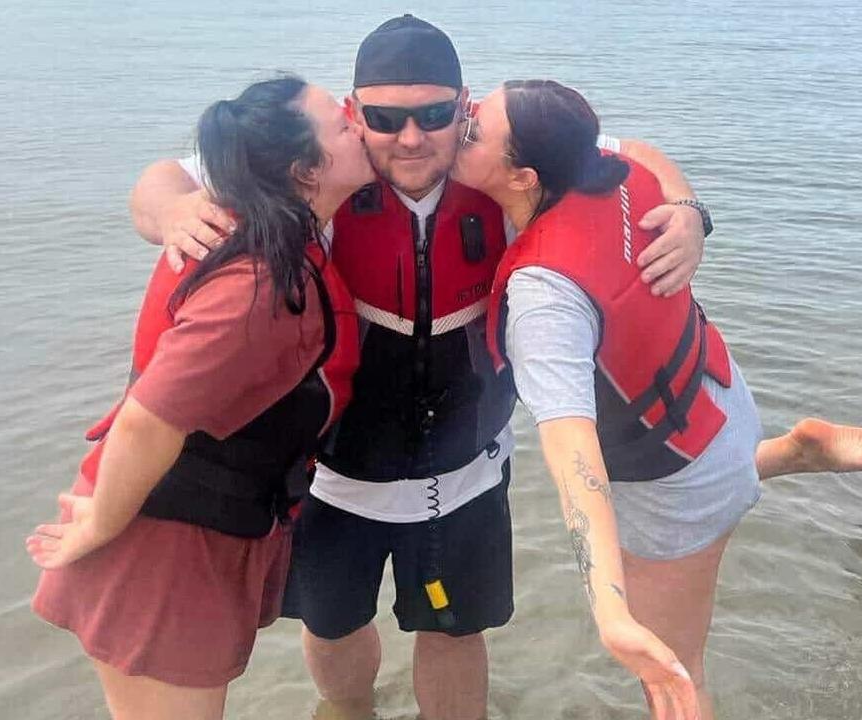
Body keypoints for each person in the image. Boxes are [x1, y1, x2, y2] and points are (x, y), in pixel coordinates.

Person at [127, 16, 712, 720]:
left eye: (434, 115)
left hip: (467, 475)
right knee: (331, 622)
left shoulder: (499, 163)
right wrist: (175, 210)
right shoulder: (324, 167)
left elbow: (630, 155)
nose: (411, 137)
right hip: (335, 479)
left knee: (455, 627)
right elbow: (161, 178)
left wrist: (685, 210)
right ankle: (350, 712)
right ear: (353, 115)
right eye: (386, 117)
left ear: (464, 107)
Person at [452, 79, 862, 720]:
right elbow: (639, 148)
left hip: (678, 480)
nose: (459, 124)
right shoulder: (605, 171)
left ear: (523, 176)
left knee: (672, 675)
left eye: (472, 128)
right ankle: (795, 452)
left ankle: (792, 456)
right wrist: (690, 209)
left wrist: (609, 607)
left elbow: (572, 448)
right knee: (722, 487)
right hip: (721, 403)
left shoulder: (544, 294)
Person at [24, 76, 372, 720]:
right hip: (156, 546)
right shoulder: (258, 284)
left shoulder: (273, 222)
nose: (358, 123)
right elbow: (147, 422)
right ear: (304, 170)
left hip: (193, 533)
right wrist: (101, 524)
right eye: (343, 123)